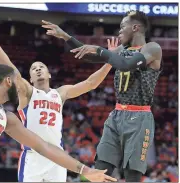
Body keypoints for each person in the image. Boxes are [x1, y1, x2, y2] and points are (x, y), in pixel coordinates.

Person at [0, 14, 116, 182]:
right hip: (33, 157)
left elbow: (90, 83)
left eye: (42, 67)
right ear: (31, 78)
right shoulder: (27, 92)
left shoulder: (61, 93)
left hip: (57, 158)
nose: (38, 69)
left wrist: (110, 61)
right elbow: (7, 66)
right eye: (34, 69)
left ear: (49, 74)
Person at [42, 10, 162, 182]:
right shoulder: (122, 49)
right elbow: (90, 56)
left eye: (122, 27)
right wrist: (66, 36)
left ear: (136, 28)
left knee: (132, 175)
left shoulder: (152, 48)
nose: (119, 31)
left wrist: (101, 50)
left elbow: (125, 64)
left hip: (140, 117)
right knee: (100, 169)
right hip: (117, 114)